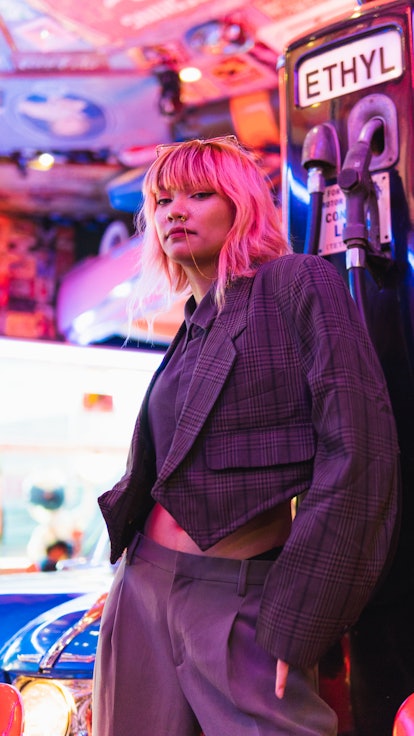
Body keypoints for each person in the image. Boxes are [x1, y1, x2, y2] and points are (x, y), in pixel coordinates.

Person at [92, 135, 399, 736]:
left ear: (241, 205)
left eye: (199, 194)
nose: (174, 211)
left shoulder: (296, 282)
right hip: (141, 584)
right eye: (161, 200)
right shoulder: (193, 324)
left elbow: (360, 451)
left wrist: (305, 610)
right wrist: (131, 582)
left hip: (237, 592)